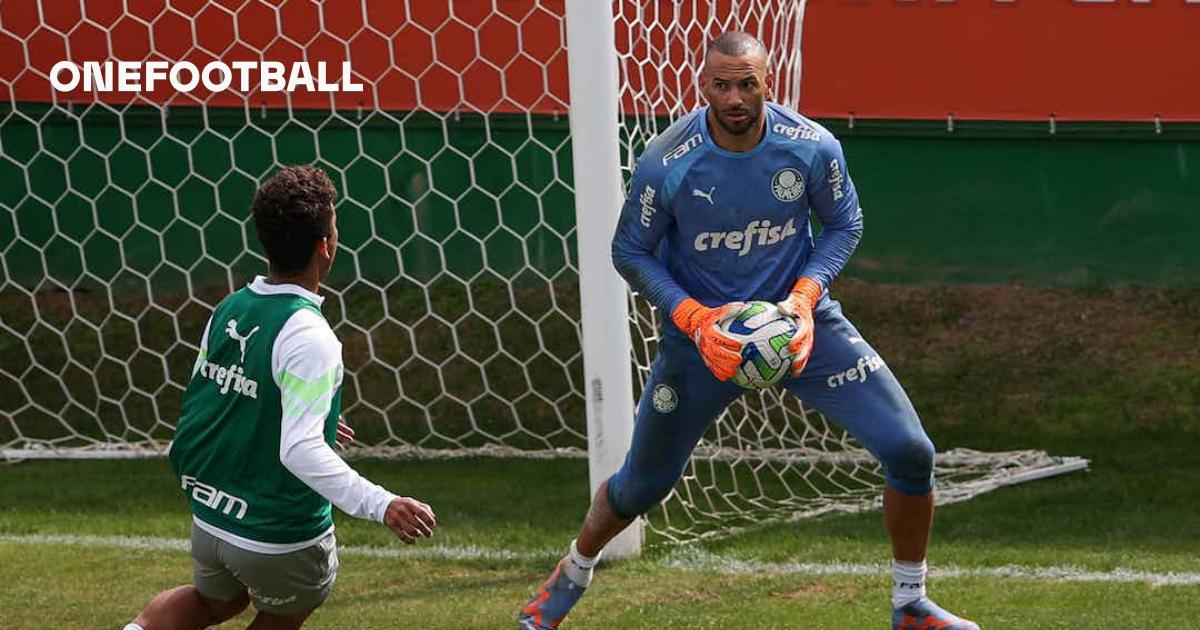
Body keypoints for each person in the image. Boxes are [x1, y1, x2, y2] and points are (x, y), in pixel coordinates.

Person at [518, 32, 978, 630]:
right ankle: (571, 575)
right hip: (702, 343)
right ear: (702, 85)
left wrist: (805, 299)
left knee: (912, 451)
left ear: (768, 82)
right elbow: (630, 250)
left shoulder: (812, 147)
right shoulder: (666, 161)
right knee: (640, 487)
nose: (734, 96)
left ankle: (910, 604)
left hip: (799, 328)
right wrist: (695, 318)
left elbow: (844, 225)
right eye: (721, 84)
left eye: (747, 83)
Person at [125, 165, 437, 630]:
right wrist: (382, 503)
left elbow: (220, 395)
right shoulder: (311, 336)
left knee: (215, 603)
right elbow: (300, 449)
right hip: (277, 536)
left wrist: (310, 415)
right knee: (284, 611)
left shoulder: (231, 307)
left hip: (210, 515)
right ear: (325, 246)